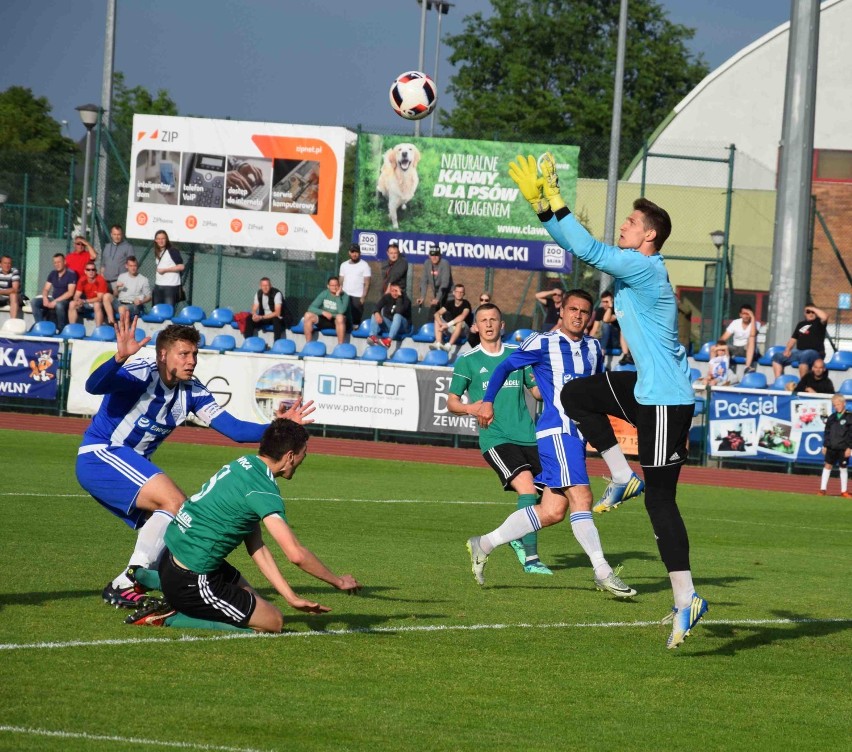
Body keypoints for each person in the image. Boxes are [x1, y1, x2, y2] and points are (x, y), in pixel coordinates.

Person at [508, 153, 706, 649]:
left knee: (662, 500)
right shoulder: (639, 265)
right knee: (576, 394)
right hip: (646, 389)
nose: (624, 224)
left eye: (632, 221)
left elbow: (588, 249)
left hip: (666, 402)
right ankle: (620, 474)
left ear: (649, 238)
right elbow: (585, 248)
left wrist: (551, 204)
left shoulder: (642, 267)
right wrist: (548, 208)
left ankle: (687, 598)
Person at [75, 308, 315, 609]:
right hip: (101, 454)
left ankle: (155, 587)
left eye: (195, 354)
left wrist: (280, 427)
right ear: (163, 355)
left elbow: (235, 430)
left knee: (180, 523)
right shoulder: (142, 373)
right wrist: (119, 358)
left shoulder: (192, 391)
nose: (191, 361)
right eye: (184, 354)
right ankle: (131, 579)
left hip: (127, 467)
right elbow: (93, 386)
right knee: (175, 502)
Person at [467, 289, 638, 598]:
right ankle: (602, 571)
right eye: (573, 309)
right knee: (582, 497)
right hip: (555, 431)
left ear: (591, 317)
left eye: (585, 312)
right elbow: (504, 367)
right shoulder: (541, 342)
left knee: (552, 511)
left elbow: (597, 394)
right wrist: (488, 402)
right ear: (562, 310)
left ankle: (484, 543)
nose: (579, 316)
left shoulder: (595, 349)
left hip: (578, 435)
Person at [127, 419, 362, 631]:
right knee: (273, 623)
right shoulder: (262, 490)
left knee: (255, 600)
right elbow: (296, 554)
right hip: (192, 577)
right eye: (304, 453)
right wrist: (338, 581)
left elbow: (256, 545)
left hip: (173, 556)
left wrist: (290, 595)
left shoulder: (245, 464)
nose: (304, 458)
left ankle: (150, 578)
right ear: (290, 456)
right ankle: (167, 615)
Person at [448, 302, 551, 575]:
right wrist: (473, 407)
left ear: (502, 325)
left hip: (528, 437)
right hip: (496, 438)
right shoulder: (468, 361)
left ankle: (514, 536)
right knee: (528, 490)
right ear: (476, 326)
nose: (489, 324)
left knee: (547, 500)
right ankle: (531, 558)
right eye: (484, 320)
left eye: (494, 319)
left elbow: (537, 392)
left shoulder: (517, 355)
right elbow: (452, 402)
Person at [771, 305, 829, 379]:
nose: (810, 314)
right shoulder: (801, 324)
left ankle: (803, 385)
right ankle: (779, 382)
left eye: (813, 312)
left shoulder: (819, 323)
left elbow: (825, 316)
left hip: (815, 353)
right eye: (808, 312)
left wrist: (813, 308)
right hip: (799, 352)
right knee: (777, 356)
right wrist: (787, 350)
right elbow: (793, 339)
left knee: (805, 355)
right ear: (804, 313)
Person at [31, 253, 77, 331]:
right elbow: (46, 289)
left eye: (59, 262)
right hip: (53, 298)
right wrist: (45, 298)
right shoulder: (53, 273)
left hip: (65, 301)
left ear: (64, 262)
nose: (57, 264)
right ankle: (41, 326)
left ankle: (61, 329)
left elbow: (70, 293)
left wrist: (55, 302)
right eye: (55, 262)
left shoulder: (71, 274)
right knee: (34, 302)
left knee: (59, 305)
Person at [819, 393, 852, 498]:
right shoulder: (832, 417)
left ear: (844, 404)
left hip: (843, 448)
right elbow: (827, 432)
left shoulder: (849, 416)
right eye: (834, 405)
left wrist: (849, 448)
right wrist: (825, 445)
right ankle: (822, 489)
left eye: (838, 404)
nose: (836, 406)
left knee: (843, 467)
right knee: (827, 466)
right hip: (831, 447)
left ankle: (844, 491)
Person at [302, 276, 349, 344]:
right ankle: (308, 344)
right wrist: (323, 312)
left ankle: (340, 346)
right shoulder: (324, 293)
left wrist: (337, 296)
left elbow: (341, 311)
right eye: (332, 285)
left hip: (340, 322)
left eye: (336, 285)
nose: (334, 287)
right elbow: (311, 308)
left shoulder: (345, 296)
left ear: (340, 286)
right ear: (328, 286)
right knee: (308, 315)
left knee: (340, 317)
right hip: (326, 319)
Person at [69, 261, 114, 327]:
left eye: (93, 269)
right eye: (88, 270)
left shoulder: (100, 280)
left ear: (96, 271)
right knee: (72, 303)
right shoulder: (82, 280)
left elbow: (99, 298)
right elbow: (76, 295)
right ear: (85, 271)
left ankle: (98, 329)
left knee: (96, 304)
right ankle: (72, 329)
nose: (91, 271)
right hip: (87, 302)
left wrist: (84, 301)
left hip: (100, 304)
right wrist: (77, 300)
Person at [367, 282, 411, 348]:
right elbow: (376, 306)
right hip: (390, 325)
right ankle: (373, 337)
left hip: (403, 327)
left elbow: (399, 311)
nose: (394, 293)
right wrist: (376, 313)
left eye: (396, 291)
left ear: (400, 290)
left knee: (397, 316)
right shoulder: (387, 297)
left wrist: (399, 297)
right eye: (392, 291)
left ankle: (388, 341)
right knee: (375, 314)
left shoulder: (406, 300)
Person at [721, 304, 761, 373]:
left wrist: (753, 318)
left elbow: (753, 334)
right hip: (735, 348)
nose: (745, 316)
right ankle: (719, 371)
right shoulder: (735, 322)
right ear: (740, 315)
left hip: (748, 349)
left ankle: (747, 367)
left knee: (751, 339)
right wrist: (719, 346)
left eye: (748, 314)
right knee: (721, 345)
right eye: (743, 314)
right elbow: (724, 338)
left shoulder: (756, 323)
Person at [431, 283, 472, 352]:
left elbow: (462, 316)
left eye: (461, 292)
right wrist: (441, 324)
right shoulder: (449, 303)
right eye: (457, 292)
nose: (459, 294)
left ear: (464, 294)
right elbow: (436, 314)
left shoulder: (466, 303)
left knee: (460, 322)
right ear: (454, 293)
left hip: (464, 331)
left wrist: (447, 325)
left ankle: (449, 346)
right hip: (452, 328)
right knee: (437, 319)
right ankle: (438, 343)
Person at [339, 243, 371, 326]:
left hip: (358, 297)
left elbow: (367, 283)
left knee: (355, 322)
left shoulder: (364, 265)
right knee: (343, 319)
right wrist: (340, 292)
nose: (354, 254)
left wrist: (363, 297)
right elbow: (341, 280)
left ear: (360, 253)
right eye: (352, 252)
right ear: (349, 253)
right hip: (345, 295)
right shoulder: (344, 265)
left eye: (356, 252)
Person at [152, 229, 185, 307]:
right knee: (157, 309)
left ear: (166, 239)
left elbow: (181, 266)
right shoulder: (158, 251)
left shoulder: (172, 250)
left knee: (168, 311)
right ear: (155, 240)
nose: (161, 241)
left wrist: (165, 270)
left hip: (170, 286)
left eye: (163, 238)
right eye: (158, 239)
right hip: (158, 285)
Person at [416, 246, 453, 315]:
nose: (434, 257)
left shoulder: (445, 263)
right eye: (432, 255)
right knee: (432, 316)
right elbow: (424, 281)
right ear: (429, 255)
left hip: (449, 297)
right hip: (437, 298)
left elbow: (445, 283)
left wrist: (437, 298)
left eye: (436, 255)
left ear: (440, 255)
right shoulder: (427, 263)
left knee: (446, 317)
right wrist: (422, 297)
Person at [101, 224, 134, 292]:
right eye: (114, 234)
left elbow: (132, 266)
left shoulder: (128, 247)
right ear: (111, 234)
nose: (116, 237)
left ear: (122, 235)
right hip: (105, 282)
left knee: (121, 302)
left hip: (120, 283)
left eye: (118, 234)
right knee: (105, 301)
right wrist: (102, 277)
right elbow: (103, 265)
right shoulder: (107, 246)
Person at [592, 289, 620, 353]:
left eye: (607, 301)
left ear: (611, 301)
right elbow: (594, 328)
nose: (604, 304)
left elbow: (606, 320)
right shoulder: (600, 310)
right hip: (602, 339)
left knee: (605, 325)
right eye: (603, 302)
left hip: (614, 341)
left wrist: (610, 307)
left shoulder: (616, 310)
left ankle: (602, 350)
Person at [0, 255, 22, 319]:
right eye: (5, 263)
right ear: (0, 264)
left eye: (9, 263)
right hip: (1, 297)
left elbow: (15, 289)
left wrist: (1, 291)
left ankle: (13, 321)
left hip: (14, 298)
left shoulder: (14, 272)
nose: (7, 265)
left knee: (13, 295)